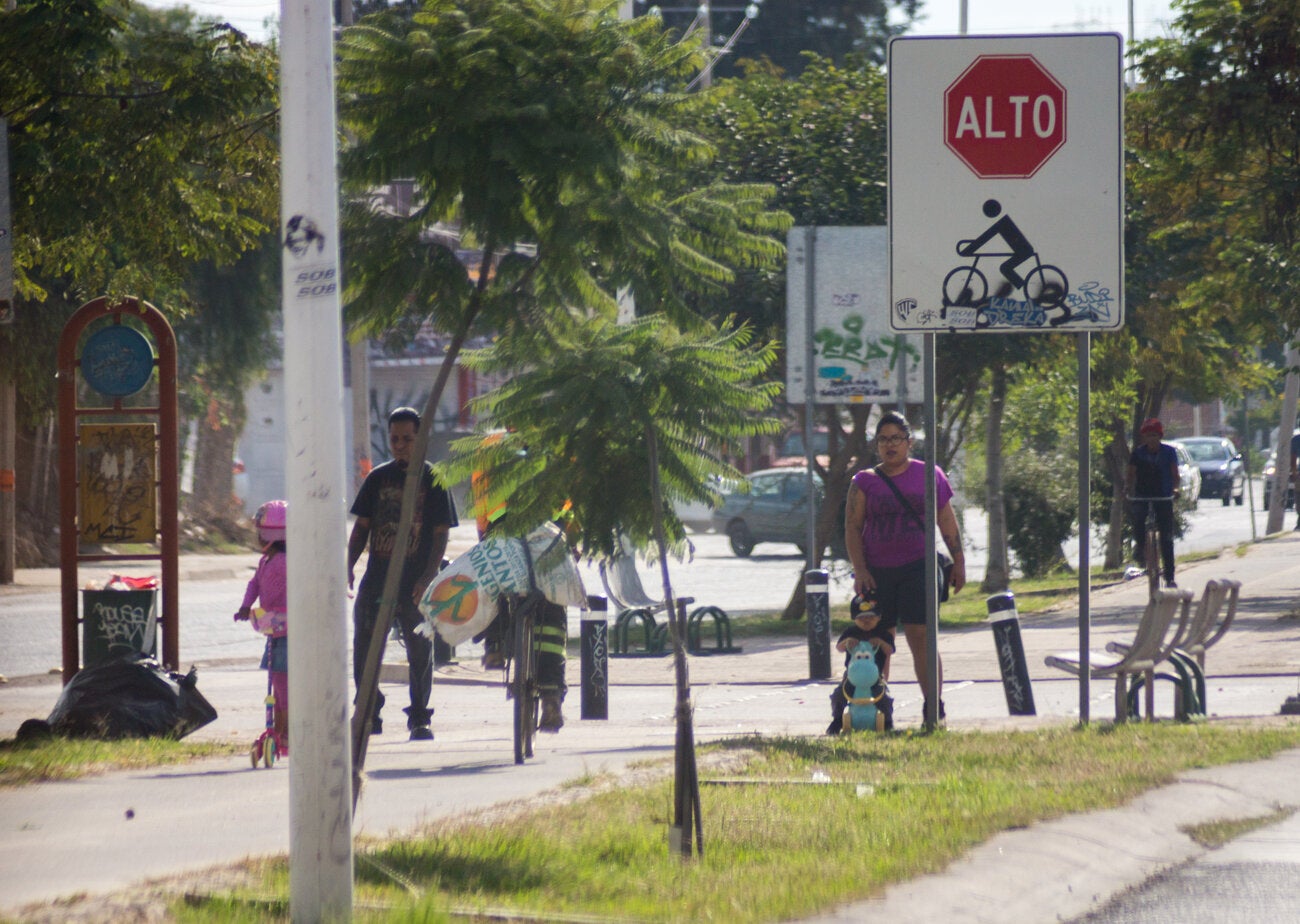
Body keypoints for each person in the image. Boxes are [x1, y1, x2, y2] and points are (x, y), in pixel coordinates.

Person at [844, 411, 966, 722]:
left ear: (909, 442)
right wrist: (861, 570)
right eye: (883, 439)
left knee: (921, 636)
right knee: (877, 641)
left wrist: (959, 560)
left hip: (919, 568)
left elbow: (947, 521)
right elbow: (852, 528)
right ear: (876, 445)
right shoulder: (864, 482)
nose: (889, 445)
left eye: (896, 438)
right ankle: (873, 708)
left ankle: (932, 708)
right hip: (877, 572)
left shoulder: (930, 475)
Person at [347, 407, 457, 741]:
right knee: (364, 645)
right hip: (378, 579)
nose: (400, 445)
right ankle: (368, 712)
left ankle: (420, 717)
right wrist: (348, 566)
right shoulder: (377, 479)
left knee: (420, 650)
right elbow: (361, 528)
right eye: (394, 439)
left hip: (416, 584)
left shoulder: (435, 480)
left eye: (408, 439)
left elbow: (440, 536)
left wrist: (427, 578)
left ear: (420, 438)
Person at [234, 500, 289, 747]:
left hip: (288, 630)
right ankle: (278, 730)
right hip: (274, 629)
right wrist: (246, 606)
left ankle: (286, 732)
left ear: (270, 534)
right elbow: (254, 584)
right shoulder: (266, 560)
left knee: (282, 681)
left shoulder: (284, 562)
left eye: (259, 533)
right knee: (276, 681)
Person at [826, 592, 895, 735]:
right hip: (852, 676)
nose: (866, 621)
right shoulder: (851, 632)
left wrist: (881, 643)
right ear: (854, 619)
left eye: (871, 617)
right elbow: (839, 648)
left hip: (875, 677)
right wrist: (847, 642)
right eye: (861, 618)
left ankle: (888, 722)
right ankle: (837, 720)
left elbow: (890, 651)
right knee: (839, 695)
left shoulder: (883, 633)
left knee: (885, 698)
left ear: (879, 617)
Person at [1125, 418, 1181, 587]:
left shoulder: (1169, 452)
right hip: (1143, 494)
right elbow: (1131, 474)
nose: (1151, 439)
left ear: (1160, 436)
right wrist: (1127, 488)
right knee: (1138, 519)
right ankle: (1142, 551)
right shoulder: (1138, 453)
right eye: (1148, 435)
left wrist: (1176, 489)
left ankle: (1170, 576)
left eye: (1154, 435)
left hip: (1163, 495)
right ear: (1144, 437)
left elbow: (1175, 475)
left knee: (1166, 537)